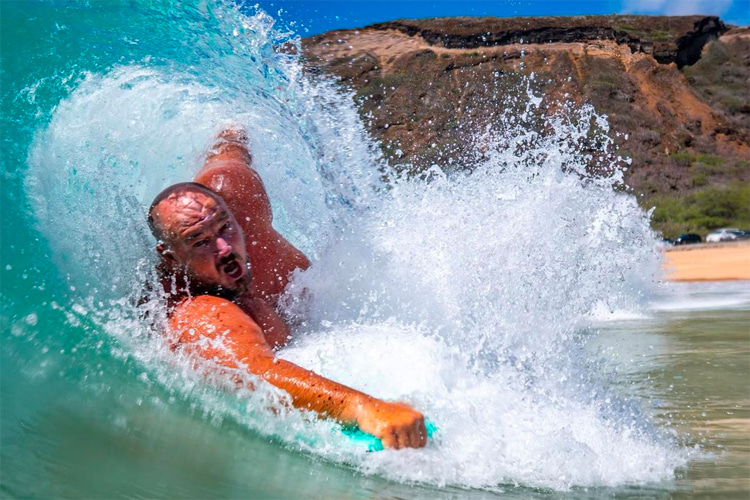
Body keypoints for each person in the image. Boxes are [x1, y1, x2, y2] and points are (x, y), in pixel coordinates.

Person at [147, 128, 427, 449]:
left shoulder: (238, 195)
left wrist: (231, 133)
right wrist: (365, 407)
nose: (224, 247)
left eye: (225, 226)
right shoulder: (200, 313)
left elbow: (230, 152)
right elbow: (257, 371)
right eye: (200, 241)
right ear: (171, 257)